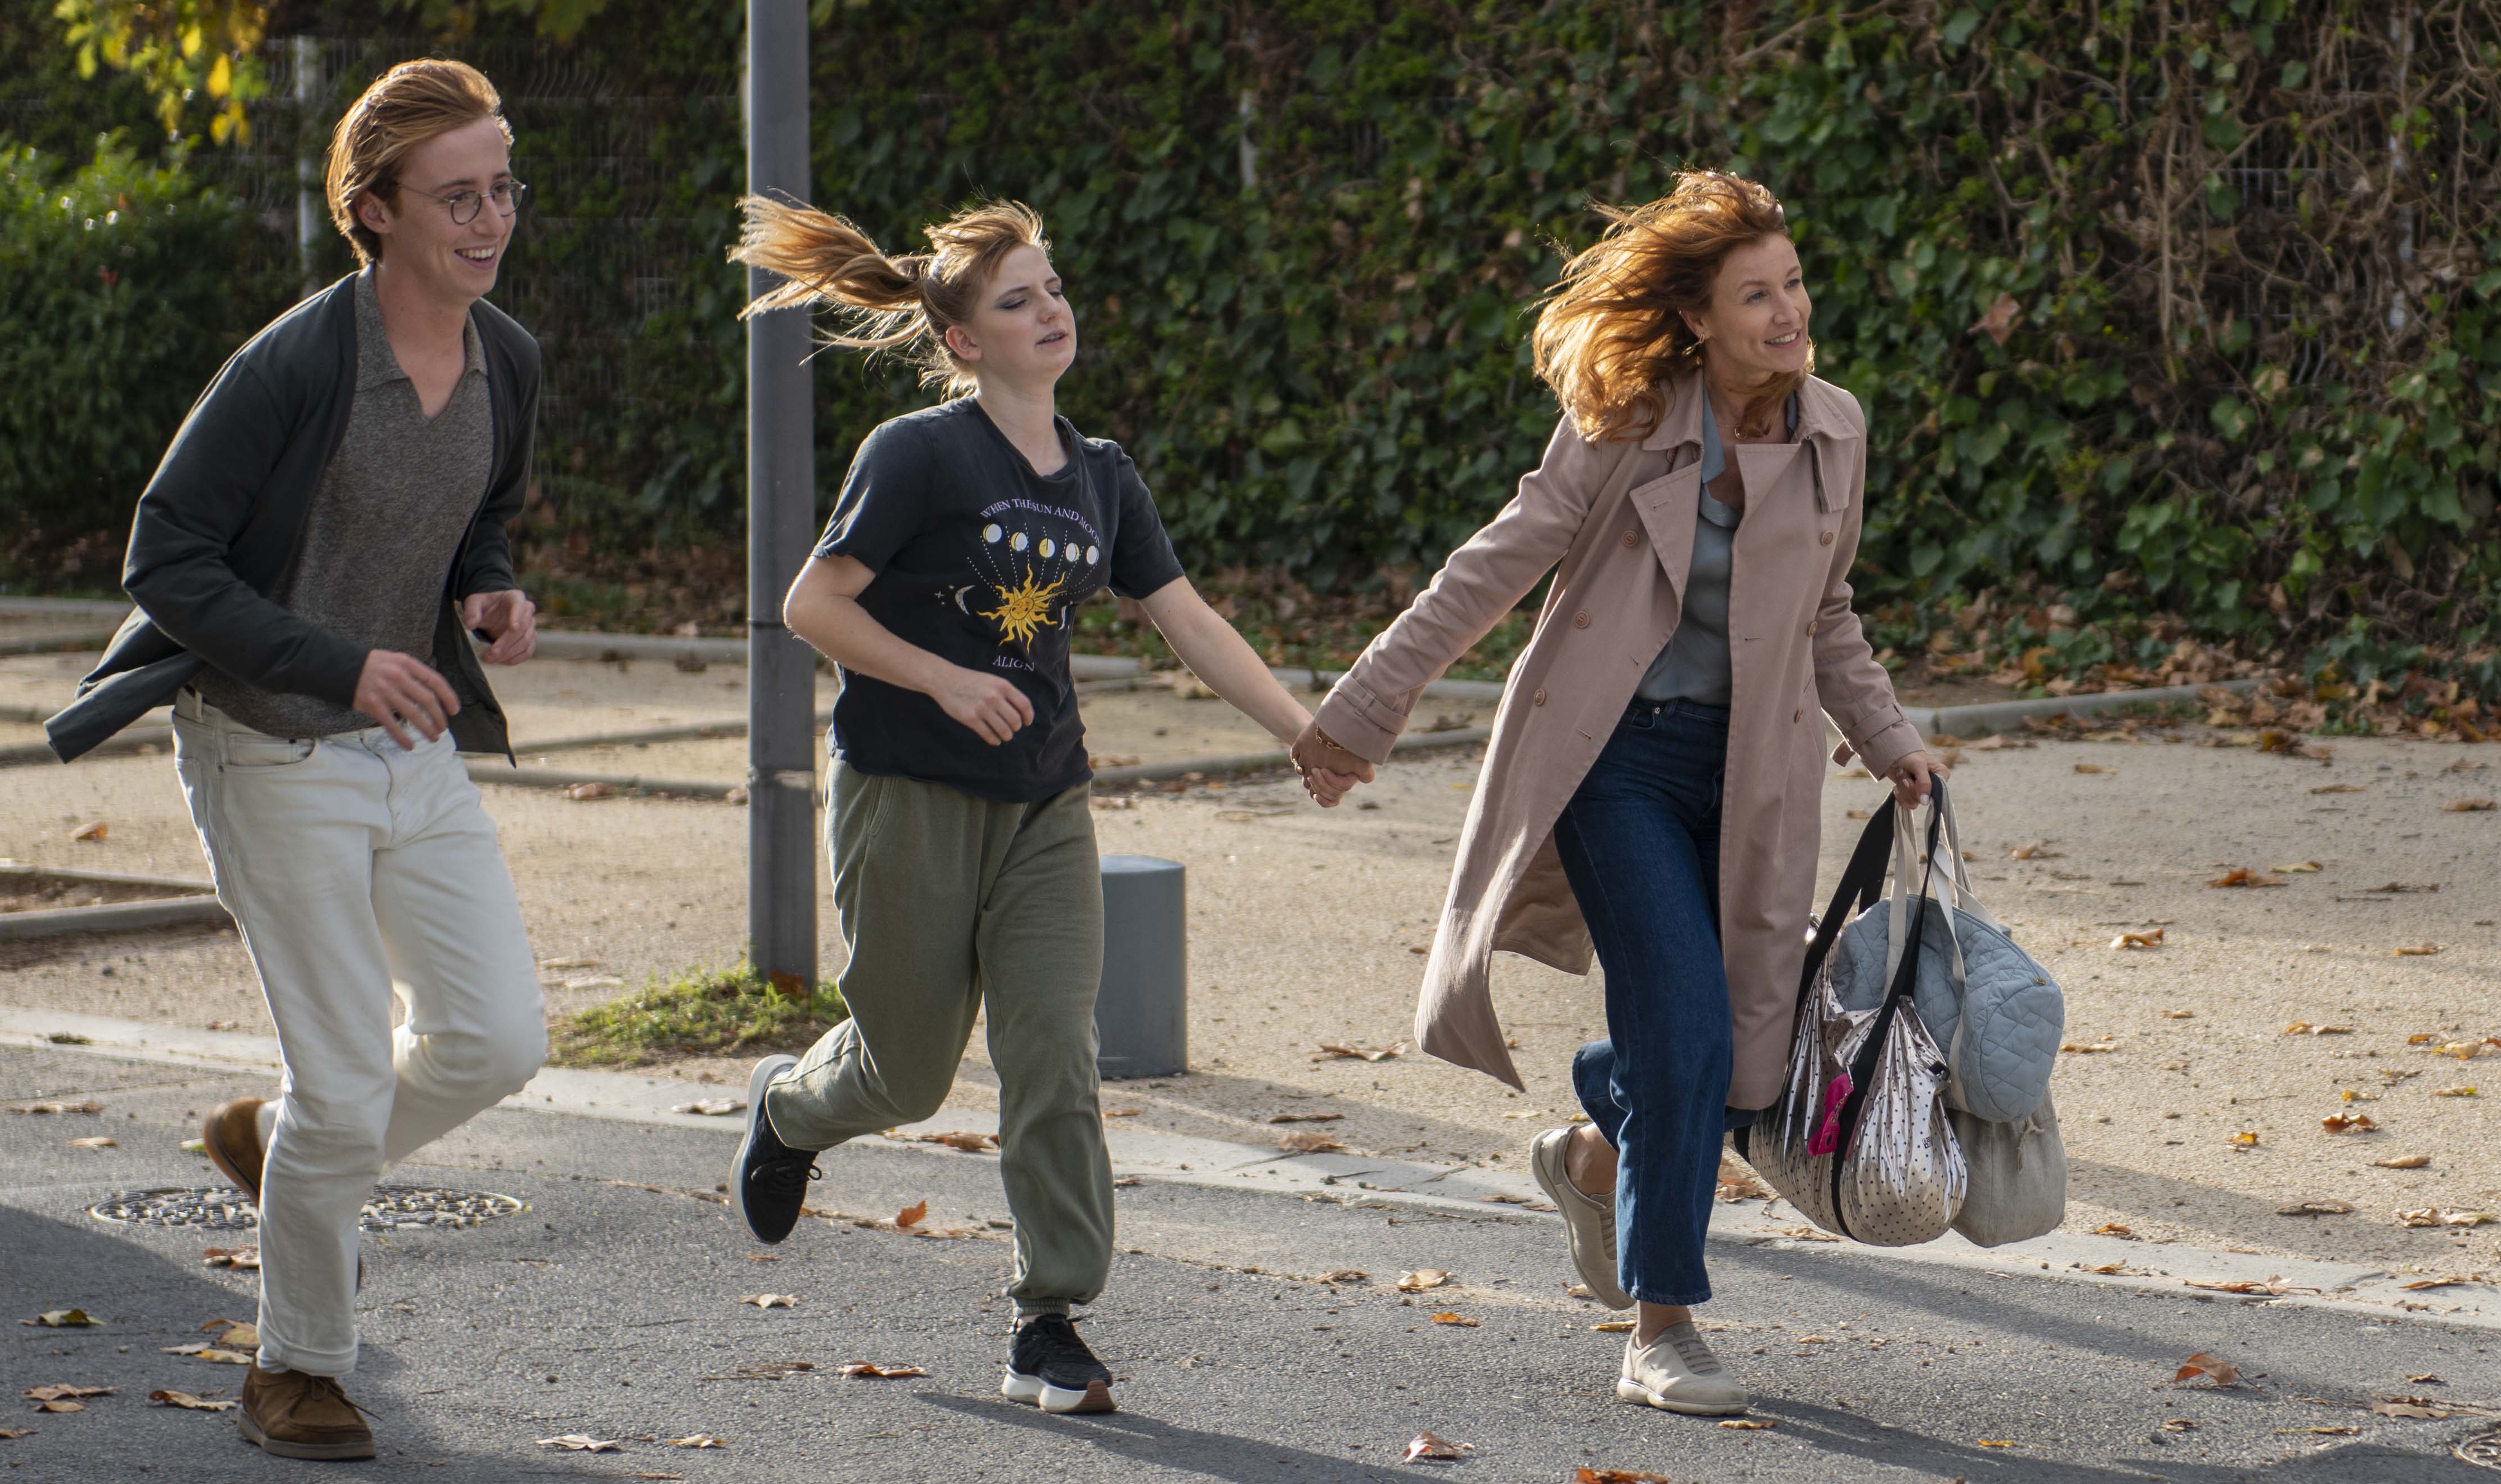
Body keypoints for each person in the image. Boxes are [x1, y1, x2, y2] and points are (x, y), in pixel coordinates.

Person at [1291, 170, 1941, 1416]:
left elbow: (1828, 613)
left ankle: (1594, 1151)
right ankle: (1662, 1327)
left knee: (1736, 1050)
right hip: (1613, 762)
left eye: (1793, 283)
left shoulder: (1835, 428)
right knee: (1689, 1029)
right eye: (1755, 294)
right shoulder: (1627, 418)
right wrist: (1364, 706)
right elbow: (1495, 562)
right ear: (1696, 318)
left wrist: (1888, 736)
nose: (1788, 311)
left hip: (1753, 776)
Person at [722, 195, 1310, 1416]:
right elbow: (812, 605)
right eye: (1015, 300)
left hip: (1046, 801)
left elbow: (1188, 619)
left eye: (1052, 288)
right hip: (906, 792)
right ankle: (790, 1109)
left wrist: (1305, 733)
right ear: (961, 340)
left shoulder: (1102, 477)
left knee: (1053, 1053)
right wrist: (943, 678)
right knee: (906, 1076)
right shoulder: (917, 454)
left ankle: (1049, 1317)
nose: (1050, 311)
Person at [44, 59, 549, 1460]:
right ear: (374, 209)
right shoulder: (295, 364)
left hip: (407, 742)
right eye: (457, 197)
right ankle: (297, 1368)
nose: (490, 220)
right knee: (346, 1083)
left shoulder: (505, 359)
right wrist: (337, 660)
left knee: (499, 1040)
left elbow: (478, 512)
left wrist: (488, 588)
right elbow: (167, 558)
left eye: (501, 189)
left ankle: (282, 1150)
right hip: (266, 746)